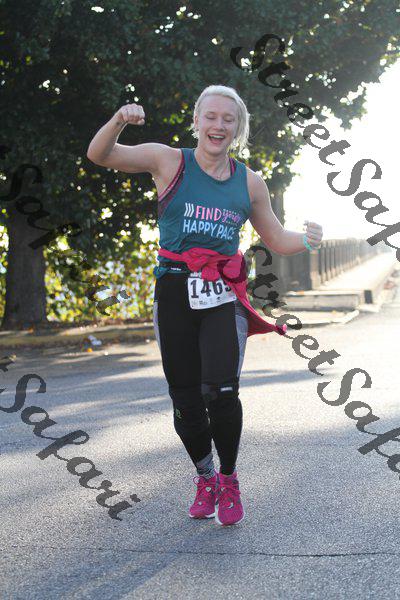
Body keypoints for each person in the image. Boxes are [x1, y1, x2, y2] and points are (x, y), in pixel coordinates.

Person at [86, 84, 323, 526]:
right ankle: (205, 476)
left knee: (222, 392)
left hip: (221, 295)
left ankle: (229, 479)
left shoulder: (249, 182)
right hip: (174, 290)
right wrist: (119, 120)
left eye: (228, 119)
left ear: (238, 128)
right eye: (210, 117)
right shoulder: (168, 161)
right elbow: (101, 155)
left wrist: (307, 240)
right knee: (186, 398)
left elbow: (275, 237)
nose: (218, 125)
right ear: (196, 121)